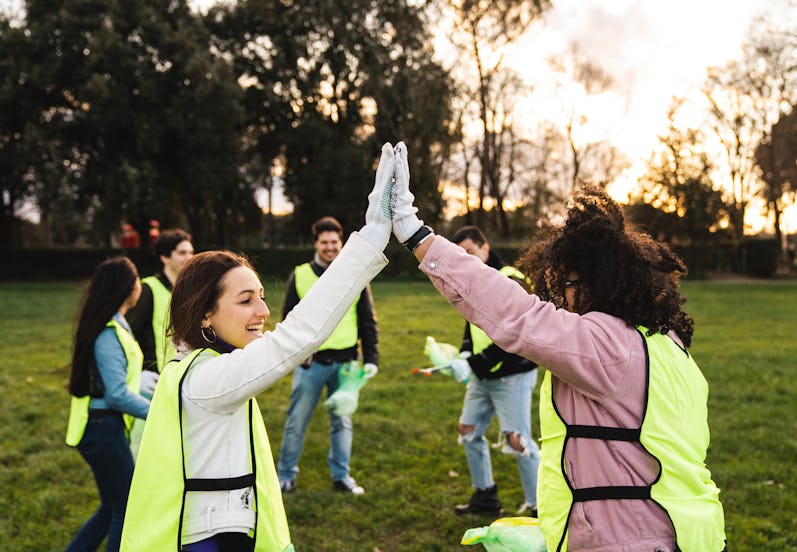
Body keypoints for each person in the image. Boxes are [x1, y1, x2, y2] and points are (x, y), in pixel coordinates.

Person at [390, 142, 726, 551]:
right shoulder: (672, 348)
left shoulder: (608, 346)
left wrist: (417, 236)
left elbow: (515, 313)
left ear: (596, 282)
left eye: (566, 284)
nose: (562, 298)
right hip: (693, 534)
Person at [120, 143, 395, 552]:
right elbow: (297, 335)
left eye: (262, 296)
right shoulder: (208, 378)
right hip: (212, 541)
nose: (264, 310)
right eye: (246, 300)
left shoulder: (200, 362)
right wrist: (372, 239)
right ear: (206, 315)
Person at [276, 216, 380, 496]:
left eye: (335, 241)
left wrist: (371, 359)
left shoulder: (354, 273)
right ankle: (285, 475)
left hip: (347, 364)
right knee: (296, 421)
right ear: (316, 244)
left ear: (341, 242)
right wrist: (298, 355)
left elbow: (367, 320)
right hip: (312, 364)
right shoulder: (300, 275)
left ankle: (341, 476)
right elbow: (288, 319)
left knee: (342, 422)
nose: (330, 247)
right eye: (325, 242)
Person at [446, 225, 540, 518]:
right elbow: (470, 323)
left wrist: (472, 363)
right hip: (482, 376)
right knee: (468, 431)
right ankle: (486, 497)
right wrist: (464, 351)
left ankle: (542, 508)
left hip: (513, 374)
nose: (466, 260)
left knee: (518, 440)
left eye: (470, 253)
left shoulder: (511, 280)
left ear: (485, 247)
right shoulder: (472, 280)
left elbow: (514, 337)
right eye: (460, 255)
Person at [64, 256, 156, 552]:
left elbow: (121, 386)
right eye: (136, 279)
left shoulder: (115, 325)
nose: (140, 285)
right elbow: (117, 394)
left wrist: (153, 396)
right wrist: (158, 413)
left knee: (111, 507)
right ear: (127, 288)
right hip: (103, 430)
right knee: (125, 508)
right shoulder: (108, 332)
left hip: (104, 427)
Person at [126, 228, 195, 373]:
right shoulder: (148, 289)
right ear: (165, 257)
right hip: (151, 376)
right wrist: (140, 372)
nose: (189, 257)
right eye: (182, 253)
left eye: (191, 252)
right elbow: (129, 333)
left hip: (178, 374)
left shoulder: (191, 290)